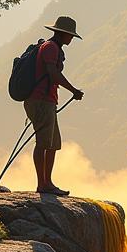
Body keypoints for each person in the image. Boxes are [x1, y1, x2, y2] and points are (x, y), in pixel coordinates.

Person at [26, 16, 85, 197]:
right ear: (63, 34)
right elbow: (53, 73)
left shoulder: (52, 47)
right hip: (41, 101)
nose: (71, 39)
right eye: (70, 35)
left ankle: (47, 182)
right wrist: (73, 90)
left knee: (52, 143)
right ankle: (42, 184)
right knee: (43, 143)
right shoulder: (51, 48)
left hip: (47, 101)